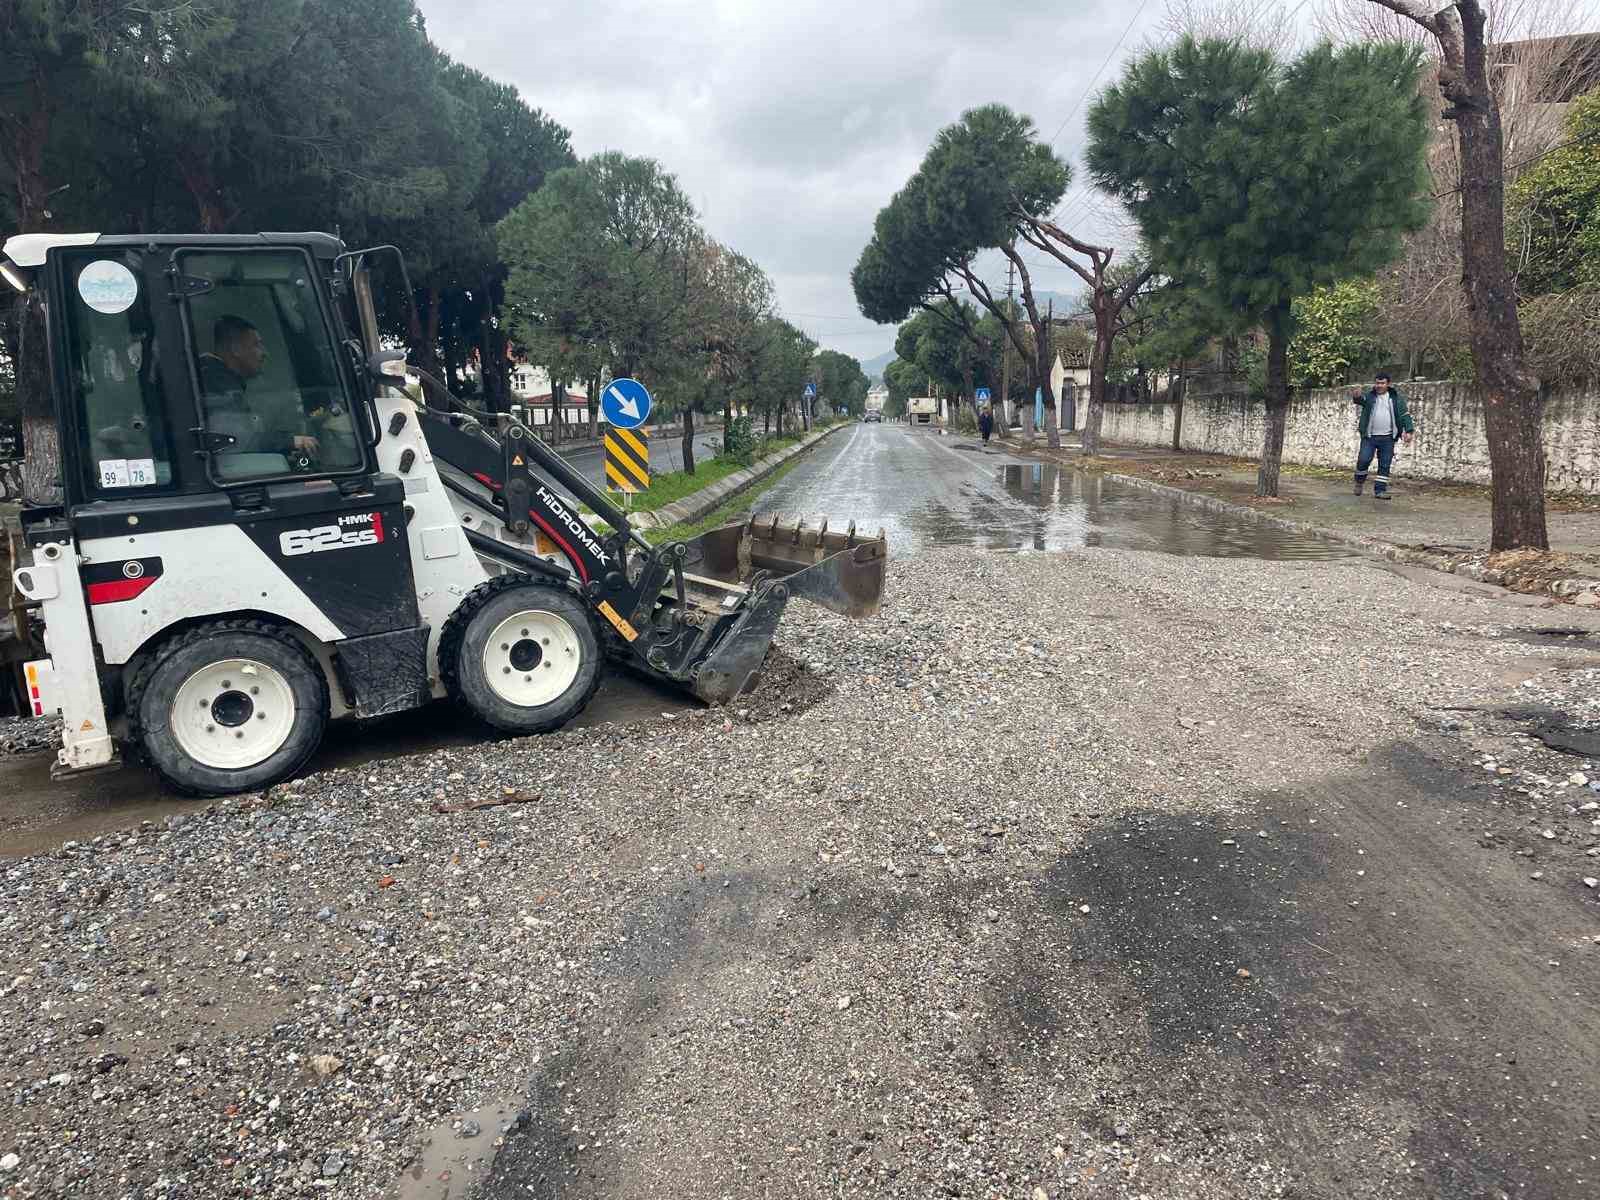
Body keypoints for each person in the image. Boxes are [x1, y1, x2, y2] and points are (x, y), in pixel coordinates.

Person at [197, 315, 318, 461]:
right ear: (235, 349)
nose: (264, 353)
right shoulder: (216, 385)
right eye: (256, 345)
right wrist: (290, 442)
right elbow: (236, 440)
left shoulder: (219, 380)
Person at [1351, 372, 1414, 500]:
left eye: (1382, 383)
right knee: (1364, 459)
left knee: (1385, 464)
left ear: (1388, 384)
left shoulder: (1395, 398)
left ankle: (1380, 490)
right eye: (1377, 383)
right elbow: (1360, 400)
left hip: (1388, 438)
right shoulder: (1370, 396)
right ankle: (1359, 481)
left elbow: (1404, 414)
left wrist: (1409, 430)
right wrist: (1356, 396)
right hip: (1369, 437)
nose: (1379, 385)